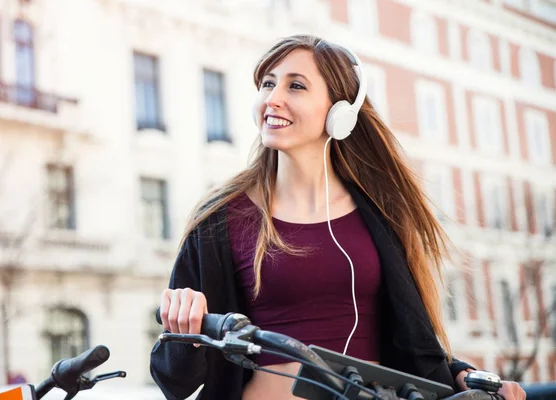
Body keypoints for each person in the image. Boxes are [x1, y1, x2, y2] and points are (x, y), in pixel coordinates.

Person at [150, 35, 526, 400]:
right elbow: (174, 381)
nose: (273, 98)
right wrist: (183, 328)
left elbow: (412, 340)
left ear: (339, 113)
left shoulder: (382, 214)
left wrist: (462, 376)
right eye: (267, 83)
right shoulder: (219, 218)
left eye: (295, 86)